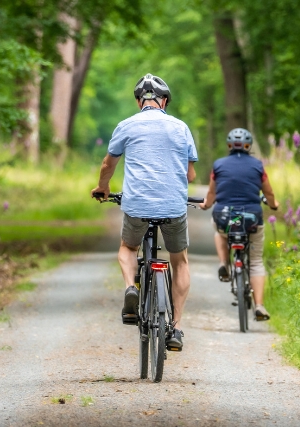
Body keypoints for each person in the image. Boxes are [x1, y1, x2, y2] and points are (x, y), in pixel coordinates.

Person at [91, 73, 198, 351]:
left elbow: (107, 165)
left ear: (140, 102)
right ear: (164, 101)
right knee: (181, 261)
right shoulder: (180, 127)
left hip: (137, 205)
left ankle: (131, 288)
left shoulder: (126, 125)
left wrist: (103, 187)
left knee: (128, 247)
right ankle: (176, 328)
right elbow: (191, 173)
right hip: (174, 206)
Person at [199, 128, 278, 321]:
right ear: (248, 145)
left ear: (229, 146)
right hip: (252, 218)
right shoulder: (258, 166)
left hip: (225, 217)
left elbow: (211, 193)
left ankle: (224, 263)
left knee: (218, 229)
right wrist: (274, 205)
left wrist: (207, 205)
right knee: (257, 262)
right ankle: (259, 305)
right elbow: (268, 193)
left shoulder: (218, 165)